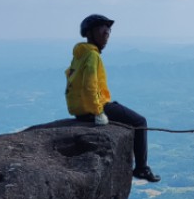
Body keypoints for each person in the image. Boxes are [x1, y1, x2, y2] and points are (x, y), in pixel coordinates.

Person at [65, 14, 160, 182]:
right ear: (89, 33)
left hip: (80, 110)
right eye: (103, 32)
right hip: (95, 107)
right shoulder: (92, 56)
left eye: (108, 33)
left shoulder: (79, 55)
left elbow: (71, 82)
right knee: (140, 122)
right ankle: (141, 168)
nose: (106, 37)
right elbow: (90, 86)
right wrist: (97, 111)